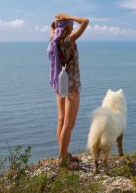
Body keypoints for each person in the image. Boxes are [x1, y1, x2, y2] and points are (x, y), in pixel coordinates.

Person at [47, 12, 89, 168]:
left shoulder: (54, 40)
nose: (73, 25)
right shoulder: (69, 40)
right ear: (67, 27)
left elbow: (52, 26)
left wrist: (58, 21)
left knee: (61, 120)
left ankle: (63, 153)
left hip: (60, 83)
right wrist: (66, 15)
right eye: (71, 24)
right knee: (69, 123)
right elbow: (85, 21)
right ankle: (63, 159)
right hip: (72, 85)